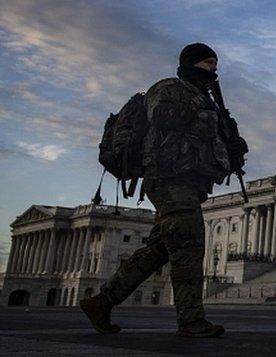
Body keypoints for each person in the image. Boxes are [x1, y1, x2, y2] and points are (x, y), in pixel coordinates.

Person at [80, 43, 247, 338]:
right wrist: (199, 102)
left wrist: (230, 148)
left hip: (190, 183)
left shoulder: (206, 100)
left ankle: (101, 301)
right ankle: (191, 319)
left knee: (158, 250)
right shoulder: (169, 87)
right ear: (192, 64)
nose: (213, 70)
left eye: (215, 64)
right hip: (170, 179)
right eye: (208, 63)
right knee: (188, 247)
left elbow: (202, 141)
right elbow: (162, 116)